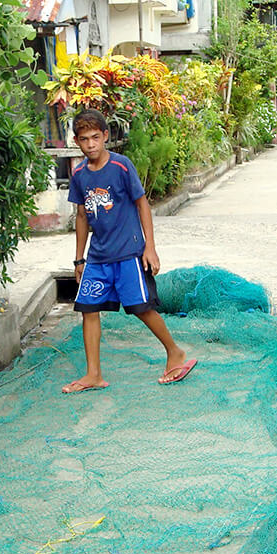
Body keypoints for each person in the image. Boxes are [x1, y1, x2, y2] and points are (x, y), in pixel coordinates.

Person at [64, 108, 196, 394]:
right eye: (84, 139)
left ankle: (175, 352)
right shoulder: (78, 175)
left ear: (106, 136)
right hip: (98, 258)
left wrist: (150, 247)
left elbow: (142, 204)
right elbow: (82, 217)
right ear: (77, 141)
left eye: (95, 138)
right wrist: (79, 259)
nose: (91, 145)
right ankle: (93, 374)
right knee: (88, 309)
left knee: (140, 308)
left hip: (129, 254)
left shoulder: (122, 166)